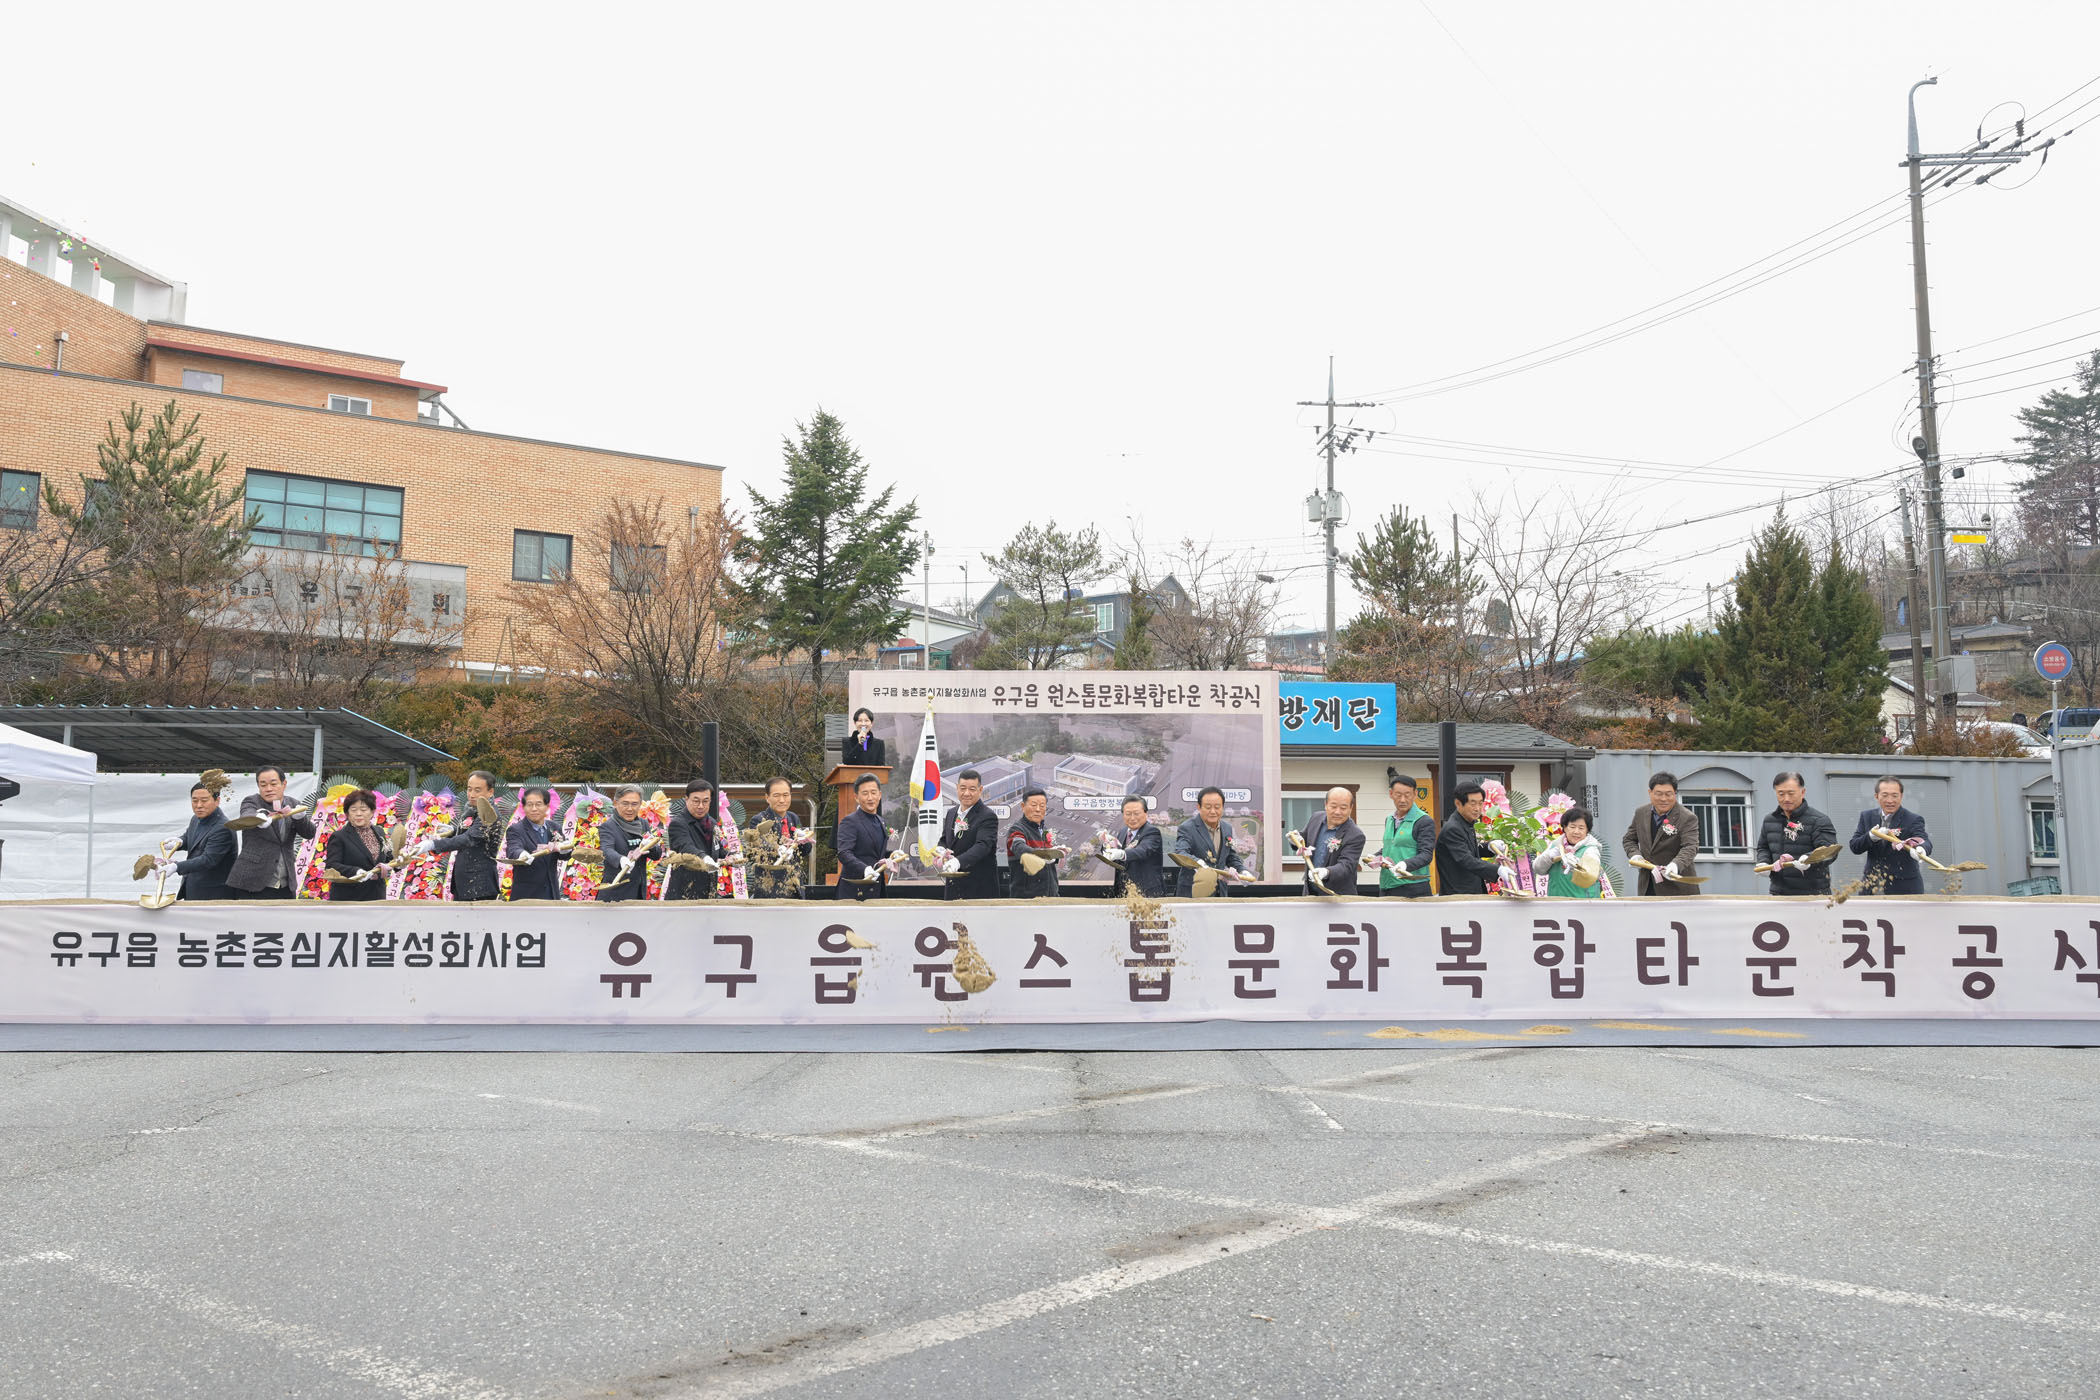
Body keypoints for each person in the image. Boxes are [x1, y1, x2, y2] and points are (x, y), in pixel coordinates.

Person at [410, 770, 505, 902]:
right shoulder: (472, 809)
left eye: (477, 790)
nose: (471, 794)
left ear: (490, 792)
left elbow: (470, 839)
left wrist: (432, 844)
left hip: (479, 885)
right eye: (469, 789)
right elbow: (472, 832)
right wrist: (454, 831)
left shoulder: (489, 814)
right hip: (466, 883)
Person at [226, 765, 317, 899]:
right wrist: (258, 818)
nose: (268, 789)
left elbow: (309, 833)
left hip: (285, 883)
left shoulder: (293, 804)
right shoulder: (252, 801)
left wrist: (300, 819)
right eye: (263, 785)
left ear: (284, 784)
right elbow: (247, 814)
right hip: (252, 882)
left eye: (273, 784)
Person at [1848, 775, 1933, 895]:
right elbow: (1855, 846)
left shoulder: (1913, 819)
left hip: (1905, 886)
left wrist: (1921, 849)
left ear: (1901, 796)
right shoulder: (1867, 816)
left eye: (1894, 795)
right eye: (1885, 795)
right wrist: (1871, 837)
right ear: (1876, 796)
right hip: (1872, 883)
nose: (1890, 800)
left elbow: (1923, 840)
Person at [1759, 771, 1838, 896]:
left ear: (1802, 792)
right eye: (1781, 794)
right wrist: (1764, 862)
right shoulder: (1770, 820)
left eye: (1791, 793)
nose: (1786, 799)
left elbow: (1829, 851)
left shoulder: (1819, 820)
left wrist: (1809, 859)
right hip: (1779, 892)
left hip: (1813, 894)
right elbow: (1763, 847)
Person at [1622, 771, 1702, 896]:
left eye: (1668, 794)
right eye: (1658, 794)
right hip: (1647, 884)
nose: (1663, 799)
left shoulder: (1687, 817)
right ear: (1650, 793)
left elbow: (1690, 846)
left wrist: (1676, 864)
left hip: (1677, 887)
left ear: (1675, 793)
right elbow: (1629, 839)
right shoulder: (1641, 813)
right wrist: (1635, 855)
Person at [163, 780, 237, 901]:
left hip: (215, 894)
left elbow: (208, 859)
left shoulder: (223, 827)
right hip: (194, 888)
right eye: (195, 800)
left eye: (204, 800)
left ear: (217, 800)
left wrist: (177, 867)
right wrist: (180, 842)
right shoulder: (196, 819)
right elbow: (191, 837)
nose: (199, 805)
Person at [1172, 787, 1251, 897]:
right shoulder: (1187, 828)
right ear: (1199, 807)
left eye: (1217, 807)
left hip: (1219, 893)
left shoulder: (1227, 828)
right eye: (1208, 807)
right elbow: (1181, 852)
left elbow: (1231, 855)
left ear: (1222, 807)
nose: (1213, 811)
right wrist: (1199, 863)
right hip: (1193, 894)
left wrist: (1242, 870)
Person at [938, 769, 1000, 900]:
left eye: (972, 789)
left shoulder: (987, 816)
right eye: (962, 788)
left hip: (979, 890)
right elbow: (945, 839)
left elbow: (983, 846)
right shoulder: (951, 813)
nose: (966, 793)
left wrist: (958, 862)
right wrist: (941, 850)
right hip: (953, 889)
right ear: (957, 788)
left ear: (980, 789)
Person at [743, 776, 807, 900]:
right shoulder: (759, 820)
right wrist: (778, 848)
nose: (782, 800)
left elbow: (805, 851)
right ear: (767, 798)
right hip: (770, 885)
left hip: (794, 884)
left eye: (786, 795)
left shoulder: (794, 818)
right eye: (776, 795)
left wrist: (804, 840)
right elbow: (758, 846)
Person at [1434, 782, 1504, 895]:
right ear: (1458, 803)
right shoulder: (1453, 828)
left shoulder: (1466, 823)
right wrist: (1497, 870)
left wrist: (1489, 847)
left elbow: (1468, 849)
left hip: (1469, 892)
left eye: (1480, 803)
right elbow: (1466, 859)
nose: (1477, 808)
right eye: (1473, 803)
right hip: (1458, 894)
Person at [324, 790, 394, 902]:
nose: (358, 814)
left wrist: (398, 862)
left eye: (363, 809)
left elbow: (388, 857)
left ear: (372, 812)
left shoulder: (379, 831)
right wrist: (356, 871)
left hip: (376, 896)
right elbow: (331, 865)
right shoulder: (339, 836)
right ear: (347, 814)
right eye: (353, 810)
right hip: (348, 898)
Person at [1378, 772, 1437, 898]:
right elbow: (1391, 846)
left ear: (1415, 794)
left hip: (1413, 888)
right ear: (1391, 794)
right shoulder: (1389, 819)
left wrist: (1405, 865)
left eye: (1407, 795)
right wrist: (1376, 857)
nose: (1402, 800)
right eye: (1398, 795)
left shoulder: (1423, 821)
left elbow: (1426, 855)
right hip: (1387, 885)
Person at [595, 785, 658, 902]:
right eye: (625, 803)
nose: (630, 809)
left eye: (634, 804)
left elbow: (656, 855)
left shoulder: (643, 824)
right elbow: (607, 850)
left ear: (640, 804)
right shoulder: (608, 826)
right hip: (615, 895)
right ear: (616, 803)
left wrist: (651, 845)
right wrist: (621, 860)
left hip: (638, 893)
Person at [664, 778, 725, 900]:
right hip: (684, 892)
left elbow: (718, 849)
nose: (701, 806)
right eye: (696, 801)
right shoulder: (678, 823)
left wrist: (731, 856)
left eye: (705, 801)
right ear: (686, 799)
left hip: (708, 891)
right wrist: (704, 857)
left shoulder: (712, 823)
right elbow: (685, 846)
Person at [1297, 786, 1364, 896]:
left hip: (1337, 896)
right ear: (1326, 804)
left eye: (1343, 808)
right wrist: (1294, 839)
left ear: (1351, 808)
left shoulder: (1355, 835)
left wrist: (1326, 872)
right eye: (1333, 806)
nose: (1337, 812)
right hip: (1310, 892)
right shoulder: (1316, 818)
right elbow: (1303, 840)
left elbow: (1346, 866)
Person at [836, 772, 892, 900]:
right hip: (854, 890)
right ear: (856, 797)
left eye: (873, 792)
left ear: (880, 795)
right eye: (865, 793)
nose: (870, 798)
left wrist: (893, 855)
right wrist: (864, 869)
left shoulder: (881, 821)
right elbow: (844, 853)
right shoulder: (850, 821)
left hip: (877, 889)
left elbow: (876, 854)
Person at [503, 787, 565, 902]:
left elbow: (564, 856)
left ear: (547, 806)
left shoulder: (554, 828)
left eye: (538, 804)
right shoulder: (516, 829)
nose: (534, 809)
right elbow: (513, 849)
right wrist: (522, 854)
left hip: (551, 894)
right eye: (529, 805)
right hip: (526, 896)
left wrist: (565, 849)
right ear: (524, 807)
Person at [1534, 805, 1604, 899]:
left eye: (1581, 828)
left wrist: (1577, 865)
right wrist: (1549, 856)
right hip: (1555, 903)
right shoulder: (1556, 844)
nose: (1576, 831)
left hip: (1583, 904)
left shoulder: (1591, 849)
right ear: (1565, 827)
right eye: (1572, 827)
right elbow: (1538, 869)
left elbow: (1592, 872)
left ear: (1587, 830)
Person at [1103, 794, 1165, 898]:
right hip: (1123, 893)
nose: (1132, 818)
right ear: (1123, 815)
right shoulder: (1123, 832)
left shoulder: (1152, 832)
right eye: (1128, 814)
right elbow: (1116, 858)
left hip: (1147, 894)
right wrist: (1107, 845)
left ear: (1145, 813)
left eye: (1136, 813)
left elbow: (1143, 850)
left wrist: (1122, 854)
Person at [1006, 787, 1061, 899]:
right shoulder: (1017, 829)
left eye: (1042, 806)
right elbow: (1018, 846)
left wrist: (1057, 854)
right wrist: (1042, 854)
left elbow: (1048, 861)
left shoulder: (1044, 830)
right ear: (1023, 806)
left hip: (1051, 896)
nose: (1038, 809)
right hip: (1026, 899)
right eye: (1033, 805)